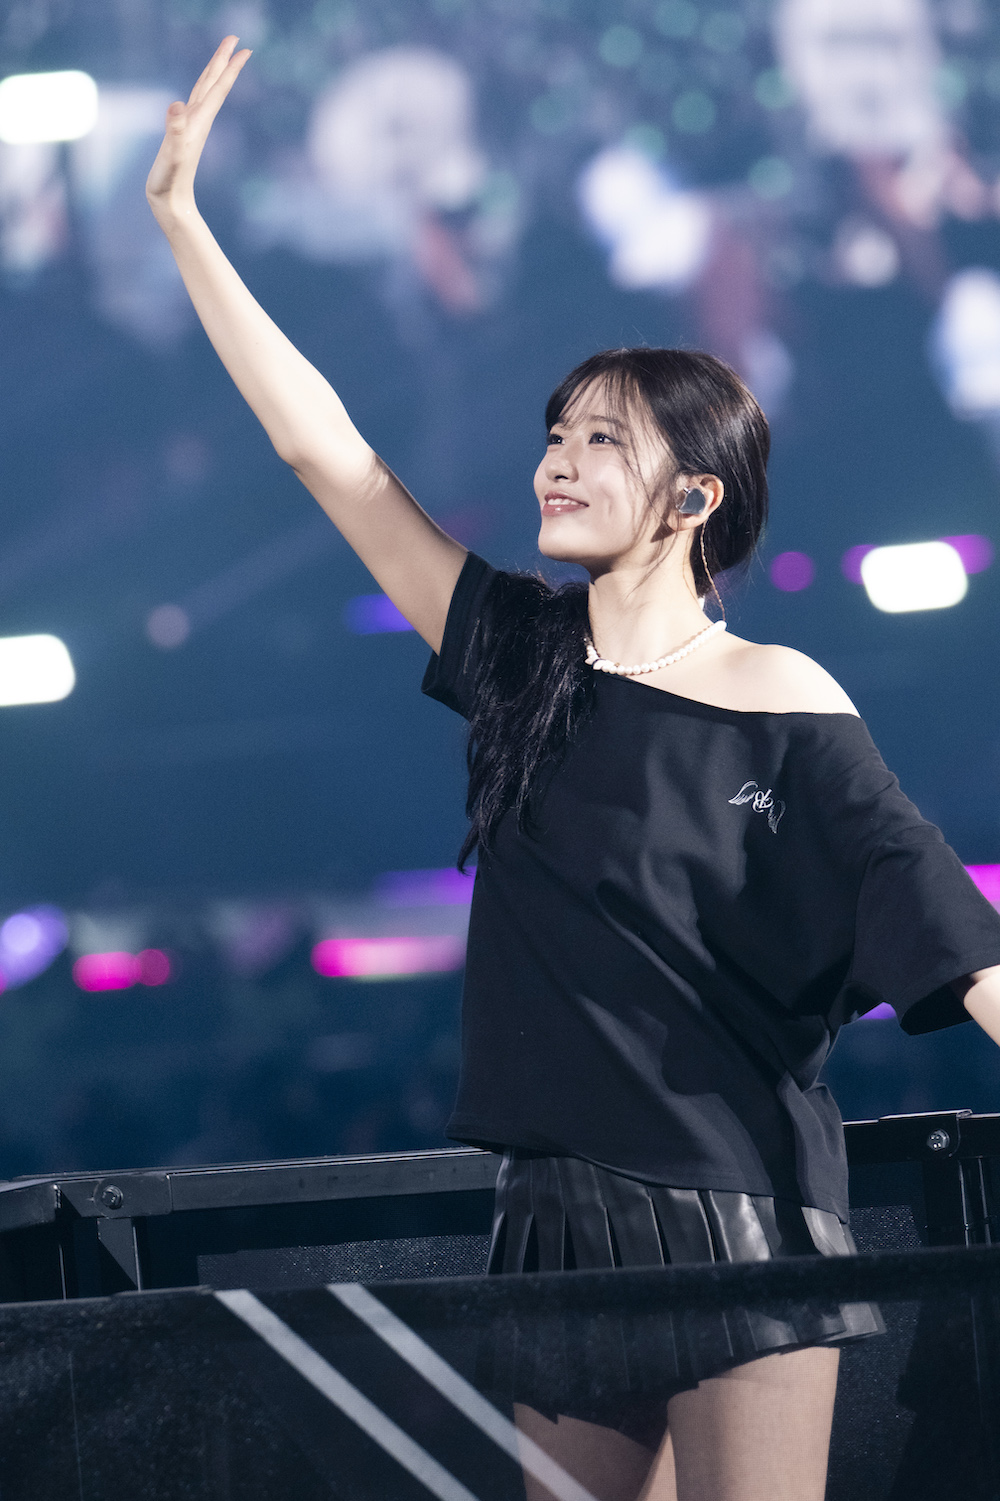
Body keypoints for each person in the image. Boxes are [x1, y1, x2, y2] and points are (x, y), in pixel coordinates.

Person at [147, 39, 1000, 1501]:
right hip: (551, 1220)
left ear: (694, 496)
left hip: (741, 1213)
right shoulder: (517, 657)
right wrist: (182, 220)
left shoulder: (779, 695)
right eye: (556, 432)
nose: (558, 457)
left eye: (603, 438)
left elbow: (939, 921)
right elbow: (325, 454)